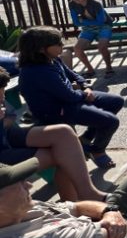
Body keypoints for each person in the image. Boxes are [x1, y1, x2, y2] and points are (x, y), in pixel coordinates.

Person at [17, 27, 124, 169]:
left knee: (115, 101)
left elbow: (72, 74)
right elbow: (69, 96)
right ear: (42, 49)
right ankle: (97, 151)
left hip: (70, 99)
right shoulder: (38, 71)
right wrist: (85, 94)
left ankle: (86, 138)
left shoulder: (52, 59)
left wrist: (84, 85)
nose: (62, 45)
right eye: (58, 44)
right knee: (111, 122)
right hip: (56, 110)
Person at [0, 68, 106, 202]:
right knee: (64, 156)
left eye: (3, 91)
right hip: (2, 157)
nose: (2, 97)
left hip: (8, 136)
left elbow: (10, 117)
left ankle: (87, 192)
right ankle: (71, 205)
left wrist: (4, 120)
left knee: (64, 133)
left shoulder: (1, 94)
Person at [68, 0, 114, 77]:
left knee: (102, 46)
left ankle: (109, 67)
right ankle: (90, 69)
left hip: (105, 26)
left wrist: (83, 21)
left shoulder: (96, 3)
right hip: (89, 28)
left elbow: (101, 22)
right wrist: (90, 22)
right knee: (77, 48)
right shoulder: (72, 4)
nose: (77, 0)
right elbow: (76, 22)